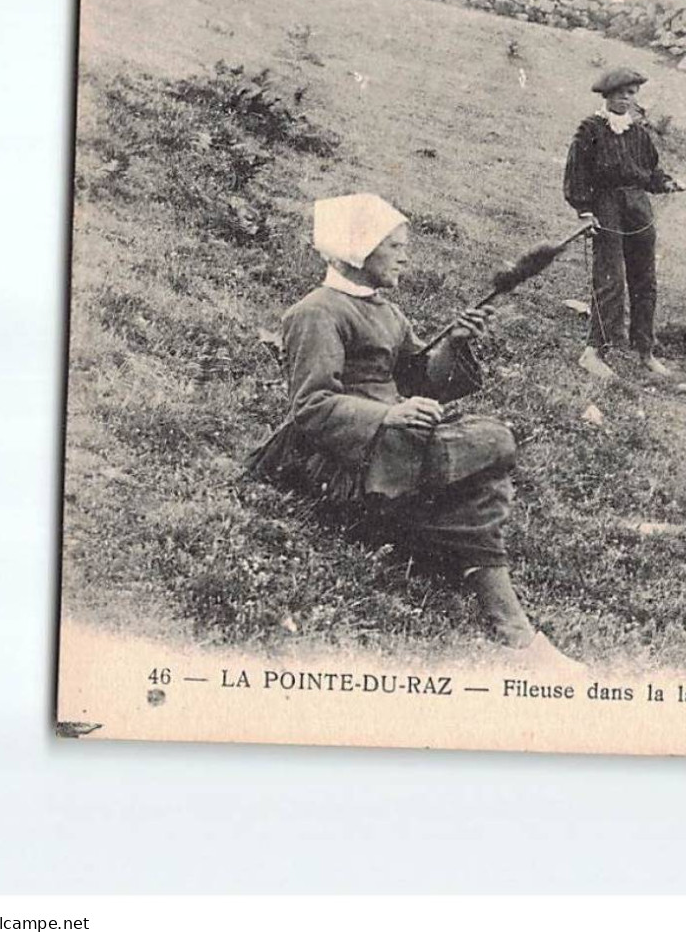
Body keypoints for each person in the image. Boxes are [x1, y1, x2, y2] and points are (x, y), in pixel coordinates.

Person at [247, 193, 578, 666]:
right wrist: (388, 415)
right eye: (394, 246)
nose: (405, 255)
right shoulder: (316, 312)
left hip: (391, 447)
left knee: (485, 475)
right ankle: (505, 620)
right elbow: (312, 406)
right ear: (360, 250)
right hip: (341, 457)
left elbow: (418, 379)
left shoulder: (388, 312)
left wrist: (456, 344)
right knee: (492, 442)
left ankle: (514, 631)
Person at [562, 66, 683, 379]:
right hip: (606, 206)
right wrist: (585, 212)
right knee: (610, 279)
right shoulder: (590, 129)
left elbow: (650, 171)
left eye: (632, 93)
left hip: (637, 208)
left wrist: (666, 182)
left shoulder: (638, 132)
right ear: (607, 95)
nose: (627, 99)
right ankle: (594, 352)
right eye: (621, 94)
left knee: (645, 279)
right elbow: (577, 173)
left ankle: (645, 351)